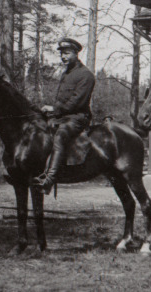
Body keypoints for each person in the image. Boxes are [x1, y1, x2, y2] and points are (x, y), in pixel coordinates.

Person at [33, 37, 96, 194]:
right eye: (61, 54)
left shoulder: (85, 75)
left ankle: (49, 178)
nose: (63, 57)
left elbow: (77, 102)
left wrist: (54, 109)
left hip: (78, 118)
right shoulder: (67, 73)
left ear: (76, 53)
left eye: (67, 53)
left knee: (60, 135)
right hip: (62, 117)